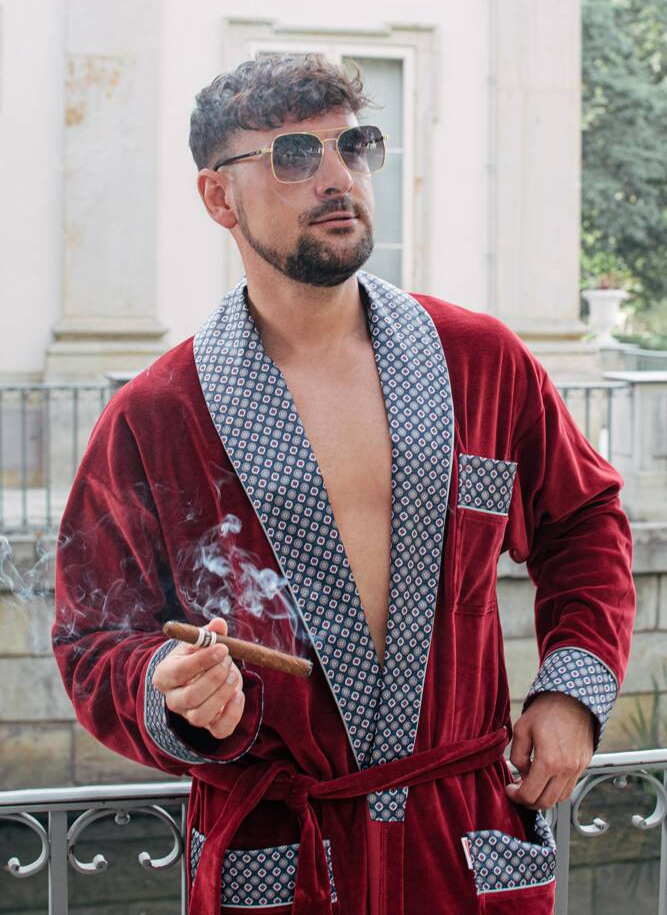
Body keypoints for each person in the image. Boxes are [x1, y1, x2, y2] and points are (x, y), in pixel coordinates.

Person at [53, 53, 635, 915]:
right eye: (293, 155)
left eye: (354, 146)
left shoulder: (479, 362)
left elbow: (583, 521)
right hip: (282, 859)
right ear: (219, 197)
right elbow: (92, 638)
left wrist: (570, 693)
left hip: (460, 840)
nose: (338, 177)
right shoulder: (157, 416)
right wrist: (168, 690)